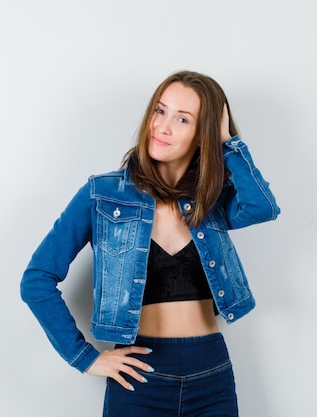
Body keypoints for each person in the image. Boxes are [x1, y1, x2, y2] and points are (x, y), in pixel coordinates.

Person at [20, 70, 280, 416]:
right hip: (140, 379)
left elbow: (262, 207)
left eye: (183, 119)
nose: (163, 127)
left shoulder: (211, 201)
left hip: (211, 373)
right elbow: (36, 279)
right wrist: (85, 359)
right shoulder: (101, 195)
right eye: (160, 111)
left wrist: (227, 141)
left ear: (202, 135)